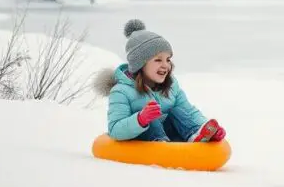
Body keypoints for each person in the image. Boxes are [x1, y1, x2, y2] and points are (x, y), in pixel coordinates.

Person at [93, 19, 226, 142]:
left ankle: (198, 135)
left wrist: (205, 126)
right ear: (140, 64)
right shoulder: (121, 91)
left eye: (168, 59)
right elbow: (115, 130)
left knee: (177, 111)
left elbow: (189, 112)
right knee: (151, 117)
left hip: (171, 136)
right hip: (146, 141)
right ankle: (160, 141)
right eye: (158, 60)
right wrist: (140, 119)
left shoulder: (171, 86)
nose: (166, 65)